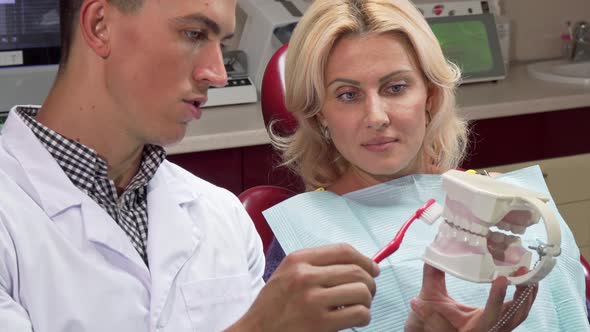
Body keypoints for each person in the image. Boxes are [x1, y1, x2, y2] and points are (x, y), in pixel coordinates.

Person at [0, 0, 382, 331]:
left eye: (222, 44)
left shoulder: (223, 216)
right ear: (101, 25)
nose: (217, 73)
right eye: (195, 34)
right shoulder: (11, 214)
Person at [264, 0, 590, 330]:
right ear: (320, 113)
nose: (376, 117)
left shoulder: (519, 207)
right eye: (348, 94)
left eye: (395, 87)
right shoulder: (301, 244)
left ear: (430, 96)